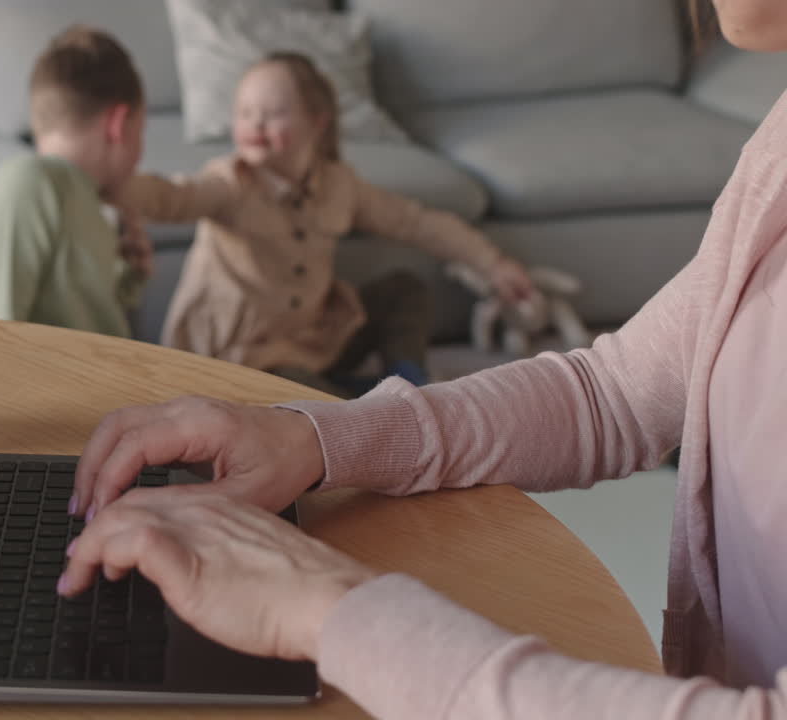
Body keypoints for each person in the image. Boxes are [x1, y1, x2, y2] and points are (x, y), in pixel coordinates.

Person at [58, 1, 787, 716]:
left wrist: (327, 608)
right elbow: (614, 393)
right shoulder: (777, 147)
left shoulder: (341, 188)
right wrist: (316, 437)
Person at [120, 52, 532, 396]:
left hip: (315, 339)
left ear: (316, 122)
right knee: (307, 403)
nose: (256, 124)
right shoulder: (230, 183)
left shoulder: (339, 185)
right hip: (249, 358)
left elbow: (415, 222)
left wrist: (492, 264)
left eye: (274, 113)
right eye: (245, 113)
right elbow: (170, 197)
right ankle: (358, 401)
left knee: (405, 290)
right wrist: (110, 182)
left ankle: (407, 382)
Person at [0, 26, 153, 338]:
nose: (140, 153)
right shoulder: (27, 184)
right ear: (117, 125)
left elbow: (87, 324)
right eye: (141, 132)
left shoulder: (90, 203)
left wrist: (129, 278)